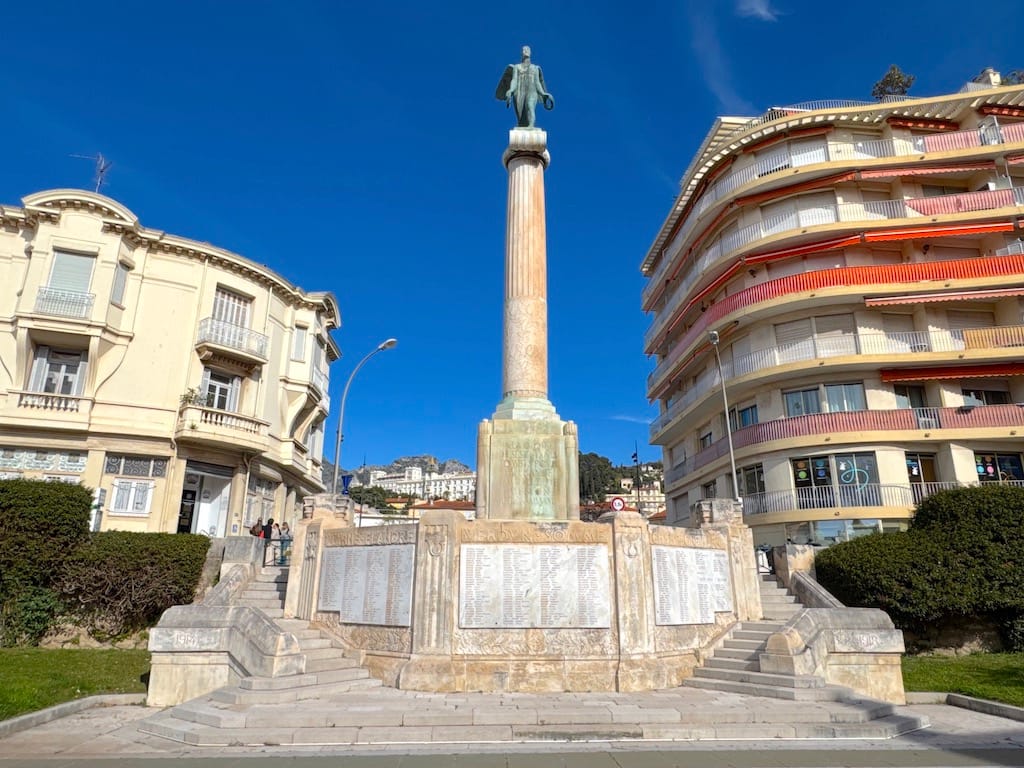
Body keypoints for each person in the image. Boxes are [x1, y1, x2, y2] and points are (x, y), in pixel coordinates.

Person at [495, 45, 554, 129]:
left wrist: (543, 93)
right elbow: (514, 80)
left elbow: (537, 82)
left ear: (530, 53)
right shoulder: (516, 67)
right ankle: (523, 124)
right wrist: (511, 90)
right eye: (524, 50)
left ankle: (531, 126)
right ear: (521, 53)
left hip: (532, 91)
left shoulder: (535, 68)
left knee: (530, 106)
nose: (525, 51)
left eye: (527, 49)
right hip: (519, 92)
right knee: (521, 115)